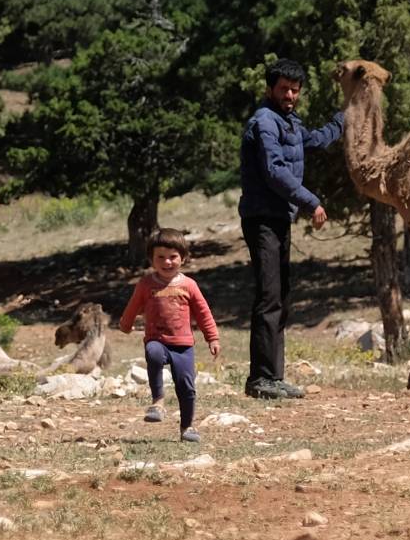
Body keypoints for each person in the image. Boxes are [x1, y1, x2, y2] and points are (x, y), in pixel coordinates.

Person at [239, 58, 344, 399]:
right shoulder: (264, 122)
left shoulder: (288, 121)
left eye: (295, 90)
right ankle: (261, 380)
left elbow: (312, 140)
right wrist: (310, 201)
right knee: (269, 297)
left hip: (279, 218)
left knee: (281, 296)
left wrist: (344, 120)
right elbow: (274, 170)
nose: (289, 95)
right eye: (283, 88)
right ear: (270, 88)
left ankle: (273, 376)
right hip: (262, 218)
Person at [119, 228, 220, 442]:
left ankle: (187, 427)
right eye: (161, 257)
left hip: (183, 344)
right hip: (157, 339)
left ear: (182, 258)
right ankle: (158, 402)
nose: (167, 262)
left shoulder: (189, 285)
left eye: (172, 257)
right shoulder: (146, 284)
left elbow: (203, 312)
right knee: (153, 353)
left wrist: (212, 337)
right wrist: (126, 325)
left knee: (186, 386)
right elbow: (133, 306)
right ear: (151, 259)